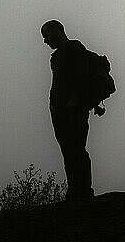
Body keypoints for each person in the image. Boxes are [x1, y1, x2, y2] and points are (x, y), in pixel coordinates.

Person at [40, 20, 94, 201]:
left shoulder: (75, 48)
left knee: (77, 149)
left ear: (57, 30)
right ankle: (74, 189)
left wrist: (75, 98)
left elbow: (82, 75)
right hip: (59, 112)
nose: (45, 41)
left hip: (74, 109)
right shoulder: (55, 58)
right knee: (67, 151)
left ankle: (84, 190)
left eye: (46, 35)